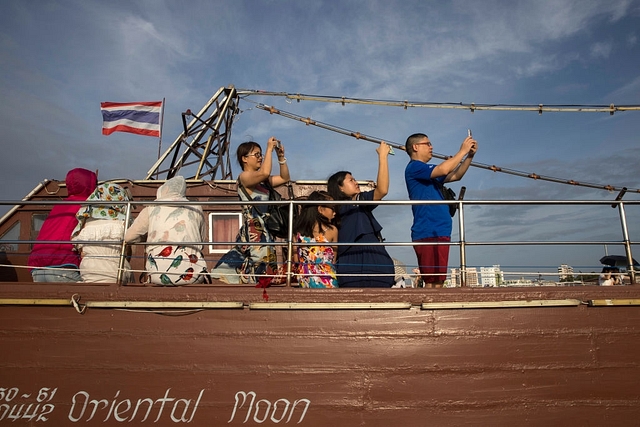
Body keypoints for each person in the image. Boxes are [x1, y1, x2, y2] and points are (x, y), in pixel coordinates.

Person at [212, 137, 291, 287]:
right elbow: (265, 172)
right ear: (244, 159)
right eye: (257, 154)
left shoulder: (263, 181)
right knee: (260, 264)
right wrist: (269, 149)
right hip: (254, 228)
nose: (260, 157)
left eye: (261, 154)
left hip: (265, 228)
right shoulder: (244, 177)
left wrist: (281, 158)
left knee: (262, 263)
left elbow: (285, 178)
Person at [404, 132, 477, 288]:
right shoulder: (415, 167)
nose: (431, 147)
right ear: (415, 147)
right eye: (427, 144)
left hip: (439, 230)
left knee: (439, 281)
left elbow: (456, 175)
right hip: (428, 230)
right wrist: (462, 151)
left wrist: (469, 156)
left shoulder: (426, 171)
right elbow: (444, 169)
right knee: (432, 282)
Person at [327, 142, 394, 288]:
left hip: (369, 257)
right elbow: (382, 190)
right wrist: (382, 155)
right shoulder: (337, 207)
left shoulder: (356, 202)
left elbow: (381, 190)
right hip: (354, 260)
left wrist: (382, 156)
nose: (356, 182)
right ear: (340, 188)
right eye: (351, 180)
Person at [124, 176, 208, 285]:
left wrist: (145, 239)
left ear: (164, 190)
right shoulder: (196, 208)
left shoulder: (150, 208)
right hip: (192, 276)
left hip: (157, 274)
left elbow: (128, 237)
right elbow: (201, 240)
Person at [28, 168, 97, 282]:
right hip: (63, 266)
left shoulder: (59, 206)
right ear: (90, 185)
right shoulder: (87, 206)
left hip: (37, 268)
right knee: (91, 295)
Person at [71, 182, 133, 283]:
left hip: (88, 271)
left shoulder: (86, 222)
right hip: (115, 272)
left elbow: (82, 252)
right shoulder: (123, 222)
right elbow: (127, 252)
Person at [293, 190, 339, 288]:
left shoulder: (297, 232)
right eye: (333, 208)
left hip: (305, 281)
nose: (335, 212)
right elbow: (333, 260)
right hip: (327, 281)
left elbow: (296, 259)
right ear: (320, 209)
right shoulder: (332, 230)